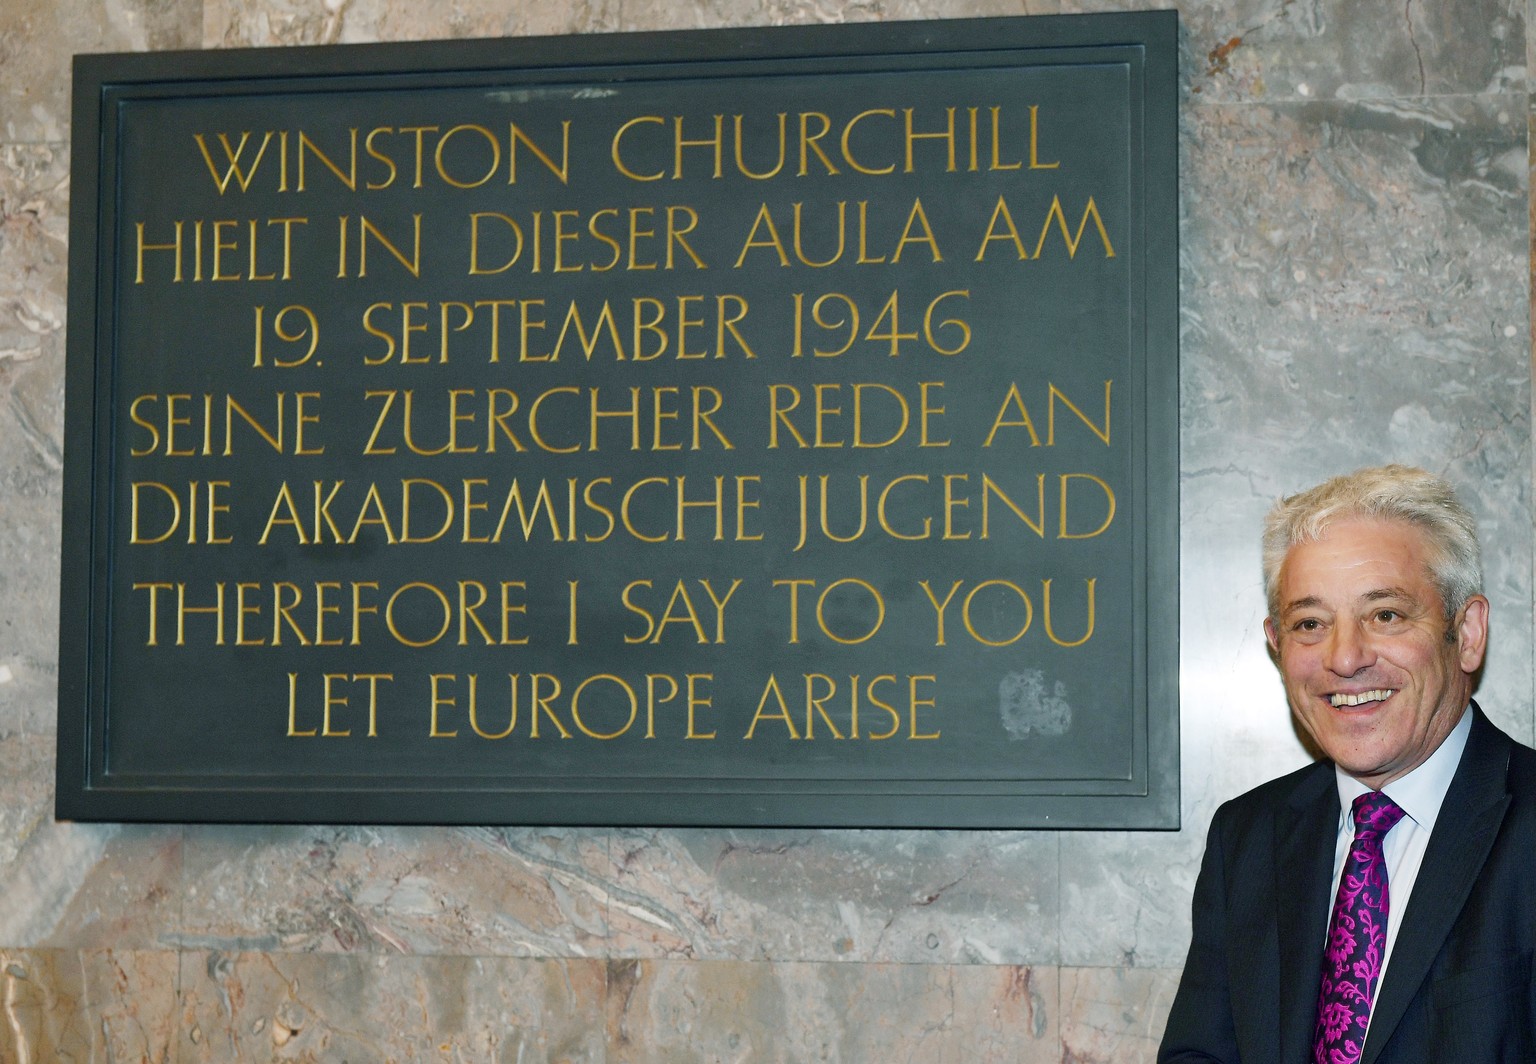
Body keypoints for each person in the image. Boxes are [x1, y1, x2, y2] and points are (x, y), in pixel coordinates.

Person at [1159, 465, 1536, 1064]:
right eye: (1310, 624)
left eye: (1385, 614)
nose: (1345, 657)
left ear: (1466, 632)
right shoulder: (1248, 835)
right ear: (1277, 647)